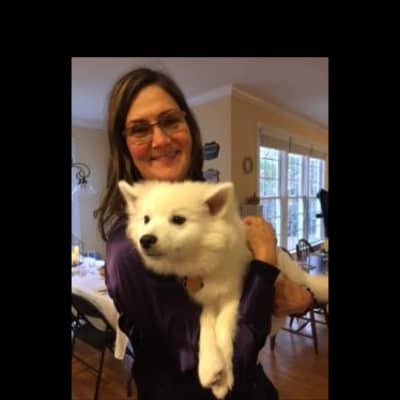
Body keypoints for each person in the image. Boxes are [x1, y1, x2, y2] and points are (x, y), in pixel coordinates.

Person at [94, 67, 313, 399]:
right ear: (123, 145)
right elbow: (227, 361)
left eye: (170, 121)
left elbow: (241, 290)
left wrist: (301, 298)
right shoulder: (132, 248)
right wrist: (265, 264)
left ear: (189, 127)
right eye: (139, 129)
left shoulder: (206, 205)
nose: (160, 140)